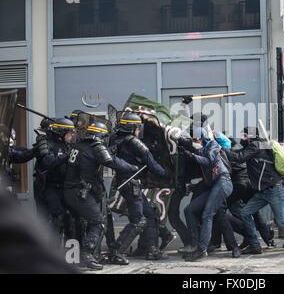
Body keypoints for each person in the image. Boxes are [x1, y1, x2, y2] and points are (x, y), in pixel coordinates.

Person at [226, 127, 284, 256]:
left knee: (283, 221)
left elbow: (239, 157)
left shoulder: (256, 145)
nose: (241, 138)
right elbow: (239, 154)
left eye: (244, 136)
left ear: (250, 136)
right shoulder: (259, 145)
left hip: (273, 189)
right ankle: (254, 245)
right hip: (264, 190)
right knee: (245, 213)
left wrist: (221, 148)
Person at [64, 121, 138, 270]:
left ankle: (88, 256)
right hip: (81, 192)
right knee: (98, 221)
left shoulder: (78, 145)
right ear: (101, 136)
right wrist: (132, 167)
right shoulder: (96, 147)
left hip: (72, 191)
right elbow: (111, 161)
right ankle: (87, 255)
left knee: (89, 222)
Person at [109, 112, 171, 264]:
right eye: (137, 127)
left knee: (149, 214)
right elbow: (151, 163)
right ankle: (118, 251)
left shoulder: (115, 139)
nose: (139, 131)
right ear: (131, 128)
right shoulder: (134, 142)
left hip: (123, 183)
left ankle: (147, 249)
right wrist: (167, 174)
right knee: (139, 220)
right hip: (132, 184)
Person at [182, 127, 236, 261]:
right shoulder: (201, 149)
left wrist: (192, 155)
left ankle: (202, 249)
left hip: (223, 182)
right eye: (194, 140)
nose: (196, 141)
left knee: (208, 214)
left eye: (197, 139)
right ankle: (196, 244)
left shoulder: (213, 146)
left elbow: (209, 160)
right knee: (189, 209)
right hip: (213, 185)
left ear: (203, 138)